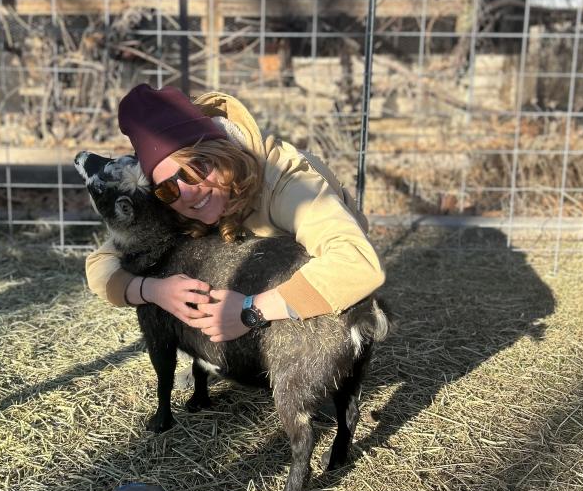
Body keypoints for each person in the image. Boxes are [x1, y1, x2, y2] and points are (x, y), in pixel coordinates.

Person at [85, 84, 384, 342]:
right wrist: (152, 289)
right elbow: (101, 266)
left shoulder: (286, 181)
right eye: (167, 188)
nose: (187, 194)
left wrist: (250, 312)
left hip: (320, 310)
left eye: (193, 171)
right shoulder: (174, 203)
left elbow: (358, 264)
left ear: (220, 155)